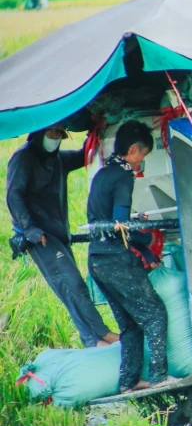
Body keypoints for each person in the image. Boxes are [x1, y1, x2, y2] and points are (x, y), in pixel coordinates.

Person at [6, 124, 119, 348]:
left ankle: (92, 340)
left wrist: (93, 131)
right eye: (51, 132)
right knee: (73, 284)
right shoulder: (23, 158)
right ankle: (102, 334)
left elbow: (82, 156)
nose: (56, 137)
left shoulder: (57, 159)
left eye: (59, 133)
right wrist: (31, 231)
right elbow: (14, 196)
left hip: (57, 234)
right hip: (39, 236)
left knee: (71, 288)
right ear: (38, 133)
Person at [86, 120, 173, 393]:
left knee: (130, 325)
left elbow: (105, 222)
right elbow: (120, 224)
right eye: (143, 156)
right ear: (133, 150)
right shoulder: (124, 175)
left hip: (96, 260)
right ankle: (159, 377)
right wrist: (145, 239)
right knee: (155, 314)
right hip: (116, 260)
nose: (141, 162)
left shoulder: (103, 173)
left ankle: (129, 381)